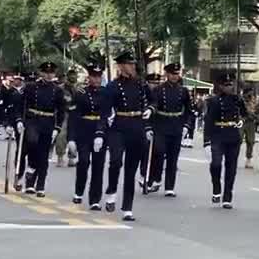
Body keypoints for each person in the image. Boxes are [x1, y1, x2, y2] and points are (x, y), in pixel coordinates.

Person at [102, 53, 151, 221]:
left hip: (137, 126)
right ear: (121, 66)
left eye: (133, 64)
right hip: (119, 126)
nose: (132, 67)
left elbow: (153, 100)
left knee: (131, 170)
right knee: (116, 161)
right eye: (129, 64)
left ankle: (127, 207)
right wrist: (100, 133)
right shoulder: (113, 86)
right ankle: (111, 190)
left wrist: (150, 109)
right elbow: (105, 111)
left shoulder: (140, 84)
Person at [18, 61, 66, 197]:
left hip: (48, 121)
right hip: (33, 119)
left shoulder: (57, 90)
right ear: (41, 73)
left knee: (43, 155)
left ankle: (39, 186)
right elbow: (21, 104)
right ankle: (31, 167)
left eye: (51, 72)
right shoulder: (31, 87)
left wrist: (57, 127)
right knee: (32, 142)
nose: (49, 75)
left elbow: (61, 110)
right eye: (46, 72)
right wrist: (19, 120)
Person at [146, 63, 193, 197]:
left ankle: (169, 186)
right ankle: (155, 178)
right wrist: (148, 127)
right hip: (161, 124)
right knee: (159, 152)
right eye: (172, 74)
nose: (174, 76)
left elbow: (189, 111)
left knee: (173, 157)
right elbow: (153, 106)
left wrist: (186, 126)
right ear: (167, 74)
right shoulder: (159, 90)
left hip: (176, 125)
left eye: (177, 74)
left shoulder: (183, 91)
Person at [204, 73, 247, 208]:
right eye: (226, 85)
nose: (229, 87)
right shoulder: (213, 101)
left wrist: (241, 121)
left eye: (230, 84)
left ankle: (227, 196)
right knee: (216, 164)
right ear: (220, 86)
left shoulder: (237, 99)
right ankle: (216, 187)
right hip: (218, 134)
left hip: (233, 135)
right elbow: (209, 121)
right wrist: (206, 141)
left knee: (231, 167)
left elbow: (245, 114)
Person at [69, 63, 107, 209]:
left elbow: (107, 114)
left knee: (98, 166)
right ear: (89, 77)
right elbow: (73, 116)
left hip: (100, 132)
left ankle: (95, 199)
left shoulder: (106, 93)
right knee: (83, 162)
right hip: (84, 132)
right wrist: (71, 138)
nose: (96, 79)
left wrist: (102, 133)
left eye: (99, 77)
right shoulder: (81, 93)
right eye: (94, 76)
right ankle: (79, 192)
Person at [241, 87, 259, 169]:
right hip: (242, 121)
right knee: (238, 140)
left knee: (250, 141)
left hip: (251, 123)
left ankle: (248, 160)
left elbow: (257, 111)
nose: (251, 95)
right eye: (249, 93)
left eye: (251, 93)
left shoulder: (254, 101)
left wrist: (256, 116)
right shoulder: (240, 101)